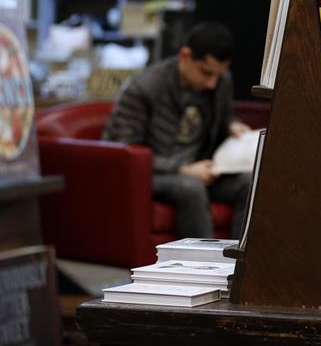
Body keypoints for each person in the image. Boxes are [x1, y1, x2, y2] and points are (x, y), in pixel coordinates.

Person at [102, 22, 252, 239]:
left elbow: (224, 116)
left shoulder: (221, 81)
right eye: (206, 73)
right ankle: (202, 260)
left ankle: (245, 259)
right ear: (185, 55)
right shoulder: (144, 88)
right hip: (154, 173)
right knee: (190, 188)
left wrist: (231, 124)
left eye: (217, 75)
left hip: (201, 167)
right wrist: (183, 169)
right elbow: (126, 151)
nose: (212, 83)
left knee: (250, 183)